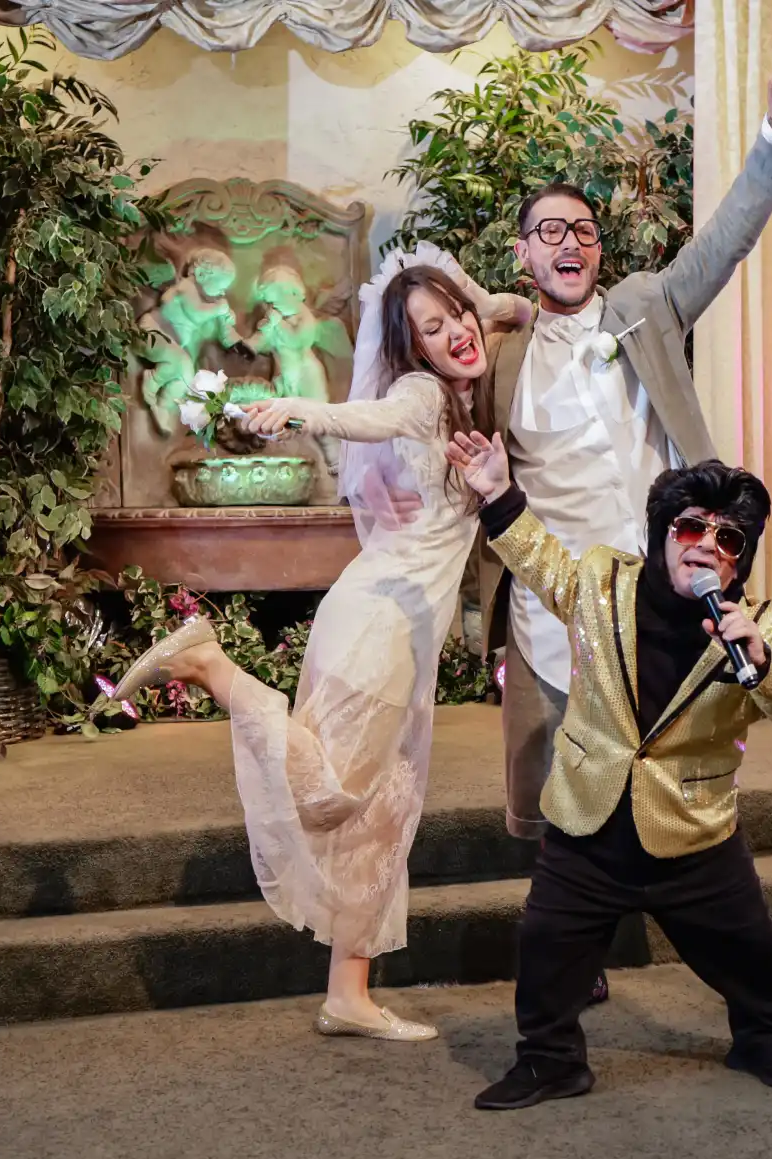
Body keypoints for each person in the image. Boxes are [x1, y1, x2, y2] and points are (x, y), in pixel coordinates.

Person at [478, 34, 772, 1013]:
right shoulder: (498, 356)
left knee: (678, 756)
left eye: (584, 229)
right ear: (523, 252)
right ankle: (574, 949)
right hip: (558, 601)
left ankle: (722, 940)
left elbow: (723, 244)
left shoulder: (644, 308)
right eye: (549, 231)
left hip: (659, 593)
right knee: (562, 781)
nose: (570, 243)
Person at [101, 247, 529, 1041]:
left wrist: (478, 302)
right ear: (412, 350)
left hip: (404, 631)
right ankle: (210, 665)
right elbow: (373, 418)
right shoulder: (422, 394)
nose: (455, 333)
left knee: (384, 811)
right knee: (328, 796)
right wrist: (304, 409)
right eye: (430, 328)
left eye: (455, 317)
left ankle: (348, 994)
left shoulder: (477, 377)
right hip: (376, 625)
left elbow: (515, 311)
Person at [447, 429, 772, 1109]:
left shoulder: (756, 629)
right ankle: (550, 1061)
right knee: (547, 944)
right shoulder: (603, 582)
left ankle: (763, 1038)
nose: (706, 546)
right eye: (691, 527)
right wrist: (498, 494)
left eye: (729, 539)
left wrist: (761, 659)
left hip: (693, 829)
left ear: (740, 560)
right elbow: (542, 563)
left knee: (751, 946)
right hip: (590, 820)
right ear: (662, 532)